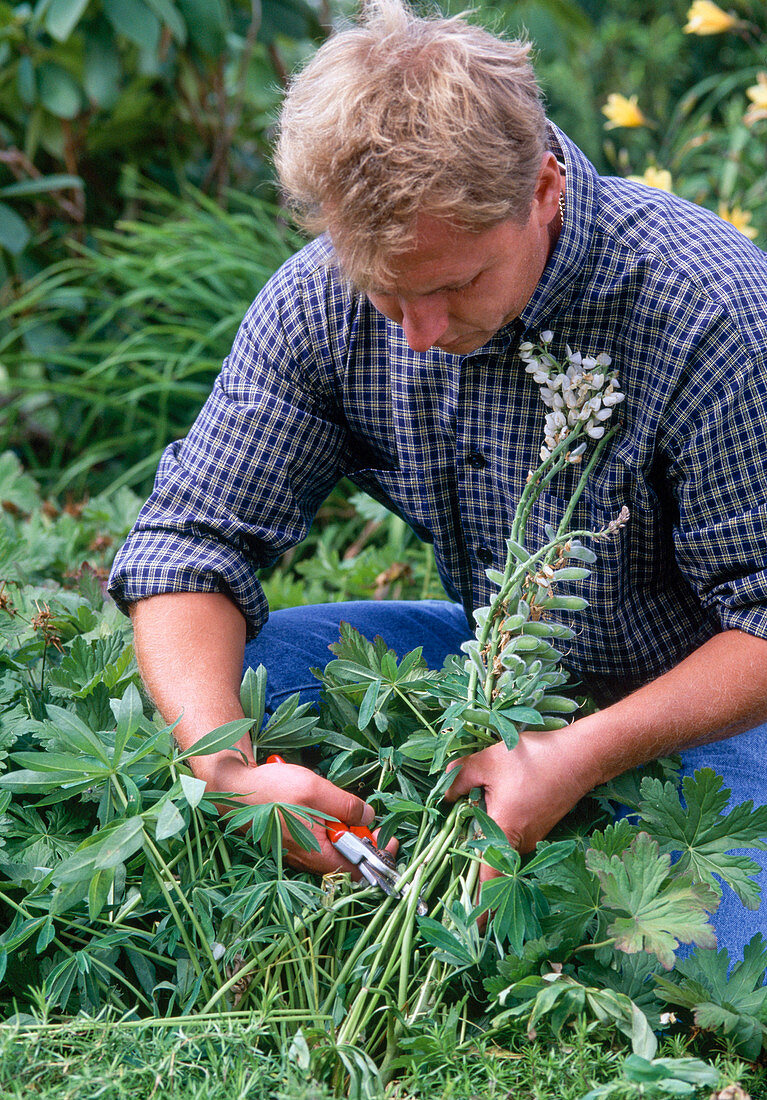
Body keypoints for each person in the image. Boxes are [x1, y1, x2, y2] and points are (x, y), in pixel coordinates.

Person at [108, 0, 767, 959]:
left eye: (453, 285)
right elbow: (189, 544)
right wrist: (223, 766)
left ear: (541, 188)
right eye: (384, 290)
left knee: (707, 968)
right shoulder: (321, 300)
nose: (414, 333)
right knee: (235, 685)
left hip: (710, 707)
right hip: (496, 674)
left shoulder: (708, 306)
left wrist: (576, 753)